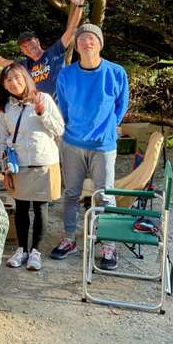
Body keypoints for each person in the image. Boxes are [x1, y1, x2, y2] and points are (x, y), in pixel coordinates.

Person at [50, 23, 129, 270]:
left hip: (103, 145)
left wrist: (110, 127)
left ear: (100, 43)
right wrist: (68, 131)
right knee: (71, 193)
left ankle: (109, 245)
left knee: (105, 195)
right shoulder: (66, 74)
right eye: (82, 39)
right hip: (72, 143)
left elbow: (121, 105)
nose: (87, 42)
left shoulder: (116, 72)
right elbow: (62, 107)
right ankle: (69, 238)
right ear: (76, 45)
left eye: (92, 38)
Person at [0, 63, 64, 271]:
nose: (13, 83)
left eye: (17, 77)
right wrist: (5, 167)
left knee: (41, 208)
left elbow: (59, 129)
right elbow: (2, 140)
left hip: (44, 161)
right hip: (19, 165)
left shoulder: (43, 99)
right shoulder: (5, 108)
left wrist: (43, 113)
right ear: (4, 85)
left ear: (26, 78)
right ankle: (22, 250)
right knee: (21, 208)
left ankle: (36, 252)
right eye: (8, 80)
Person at [0, 0, 87, 96]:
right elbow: (2, 61)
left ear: (37, 41)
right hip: (41, 106)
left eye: (30, 42)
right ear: (23, 51)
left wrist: (80, 6)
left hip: (62, 103)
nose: (28, 46)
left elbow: (71, 30)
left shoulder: (54, 52)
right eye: (24, 46)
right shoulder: (25, 65)